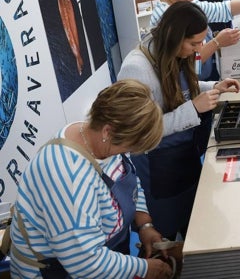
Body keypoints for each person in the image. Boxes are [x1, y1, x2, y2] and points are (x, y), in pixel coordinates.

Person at [9, 80, 173, 279]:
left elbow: (130, 183)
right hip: (60, 271)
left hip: (106, 257)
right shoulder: (68, 176)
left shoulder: (101, 140)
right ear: (107, 132)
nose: (128, 152)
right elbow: (85, 264)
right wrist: (144, 268)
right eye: (129, 147)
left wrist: (145, 225)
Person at [118, 1, 240, 241]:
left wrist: (214, 87)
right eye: (194, 43)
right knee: (163, 237)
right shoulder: (137, 69)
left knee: (192, 223)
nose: (199, 50)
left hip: (184, 157)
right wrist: (193, 109)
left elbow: (184, 90)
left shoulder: (174, 53)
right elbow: (138, 132)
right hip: (157, 167)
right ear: (174, 36)